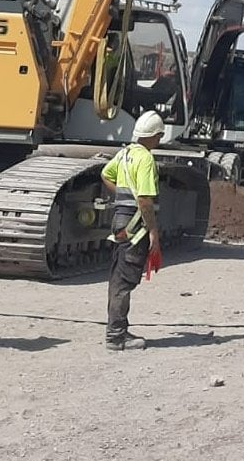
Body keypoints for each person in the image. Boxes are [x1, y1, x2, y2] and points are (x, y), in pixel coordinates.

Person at [101, 110, 164, 352]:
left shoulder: (125, 154)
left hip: (120, 222)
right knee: (124, 280)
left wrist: (122, 196)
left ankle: (117, 330)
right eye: (158, 136)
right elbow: (146, 201)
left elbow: (105, 174)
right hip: (135, 226)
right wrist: (153, 233)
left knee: (118, 276)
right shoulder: (145, 159)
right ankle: (116, 336)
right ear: (153, 136)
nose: (159, 140)